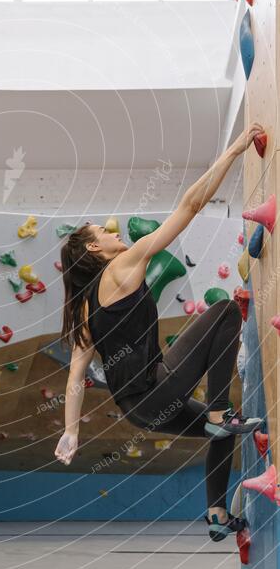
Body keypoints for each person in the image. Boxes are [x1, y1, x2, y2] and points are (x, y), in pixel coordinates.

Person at [54, 123, 265, 541]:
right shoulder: (121, 267)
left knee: (219, 435)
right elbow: (188, 207)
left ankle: (218, 513)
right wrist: (232, 152)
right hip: (155, 388)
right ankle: (222, 412)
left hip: (139, 409)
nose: (114, 231)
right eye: (105, 232)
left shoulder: (82, 307)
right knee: (224, 311)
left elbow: (76, 376)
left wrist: (71, 430)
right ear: (95, 249)